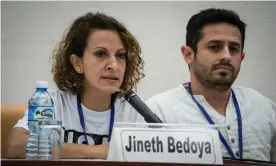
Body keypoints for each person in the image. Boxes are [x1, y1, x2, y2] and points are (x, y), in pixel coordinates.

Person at [6, 12, 145, 159]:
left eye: (121, 55)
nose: (114, 65)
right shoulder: (52, 103)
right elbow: (15, 146)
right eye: (100, 54)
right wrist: (97, 151)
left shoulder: (134, 111)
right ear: (77, 63)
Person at [144, 8, 276, 162]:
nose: (226, 56)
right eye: (214, 47)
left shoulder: (264, 108)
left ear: (242, 56)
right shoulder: (159, 111)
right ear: (188, 54)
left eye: (234, 49)